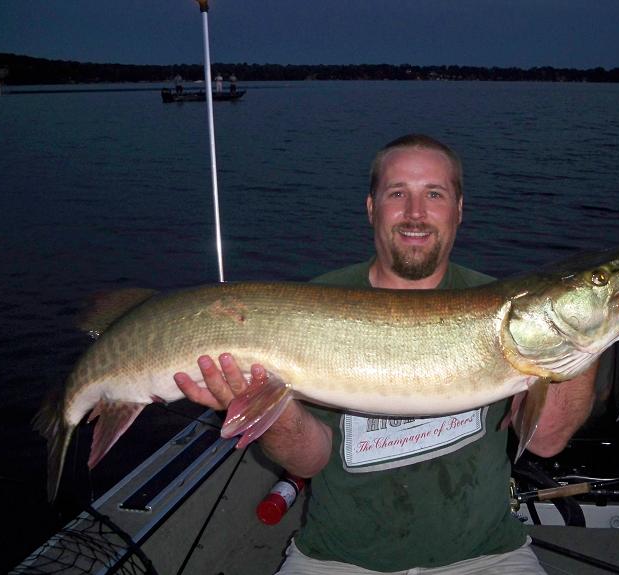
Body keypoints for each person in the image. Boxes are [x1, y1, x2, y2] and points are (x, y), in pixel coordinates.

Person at [175, 134, 597, 574]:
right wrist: (263, 403)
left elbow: (546, 440)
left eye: (434, 194)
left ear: (458, 210)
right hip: (338, 559)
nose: (415, 213)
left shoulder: (503, 304)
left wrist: (594, 335)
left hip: (488, 555)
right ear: (372, 208)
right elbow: (310, 459)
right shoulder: (315, 302)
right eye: (398, 194)